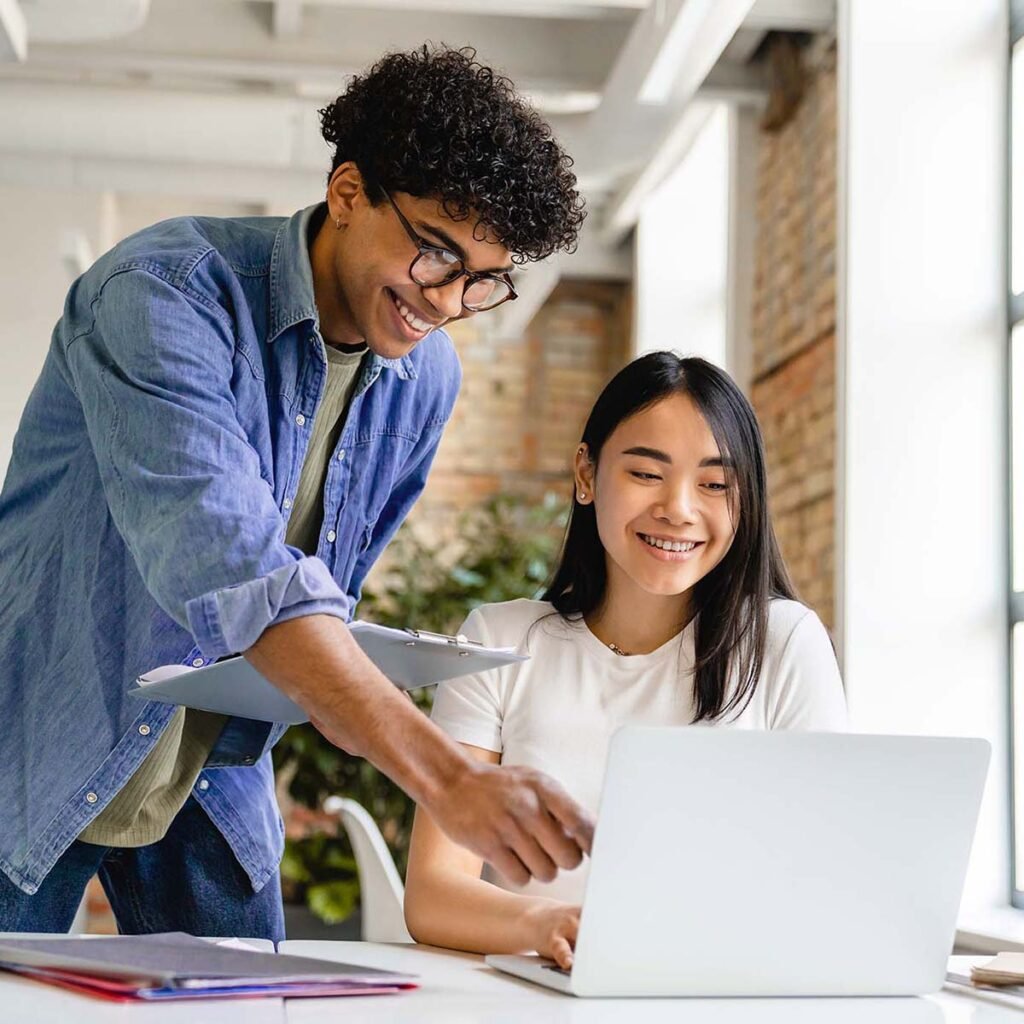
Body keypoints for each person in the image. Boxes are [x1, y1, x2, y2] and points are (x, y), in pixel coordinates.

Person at [0, 45, 594, 938]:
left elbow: (323, 587)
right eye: (437, 255)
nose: (448, 303)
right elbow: (235, 567)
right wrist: (449, 777)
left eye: (485, 281)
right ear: (349, 191)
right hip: (42, 744)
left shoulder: (422, 378)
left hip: (206, 772)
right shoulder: (162, 296)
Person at [403, 352, 847, 968]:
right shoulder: (499, 642)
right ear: (585, 475)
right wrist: (551, 925)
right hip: (528, 995)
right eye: (646, 473)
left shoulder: (782, 642)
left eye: (715, 484)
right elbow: (433, 894)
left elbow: (826, 880)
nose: (680, 508)